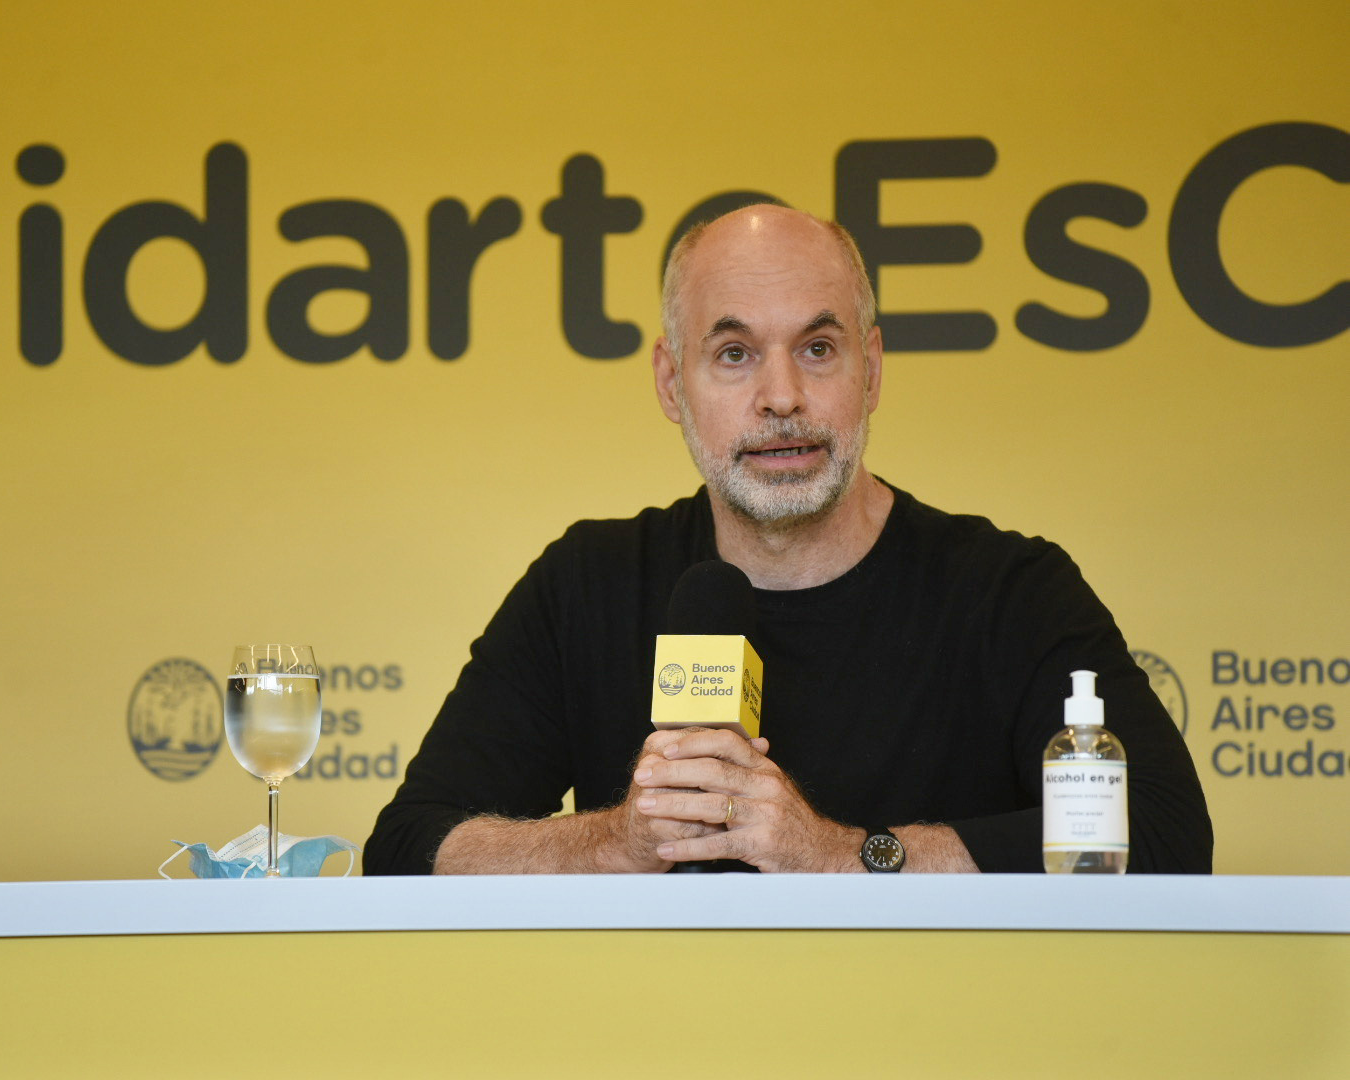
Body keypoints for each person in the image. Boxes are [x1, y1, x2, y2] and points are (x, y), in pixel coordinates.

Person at [364, 204, 1213, 875]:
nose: (781, 397)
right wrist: (619, 843)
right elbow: (408, 849)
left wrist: (844, 856)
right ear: (672, 383)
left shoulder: (1011, 589)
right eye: (734, 353)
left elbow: (1166, 835)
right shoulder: (585, 585)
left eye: (817, 348)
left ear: (871, 369)